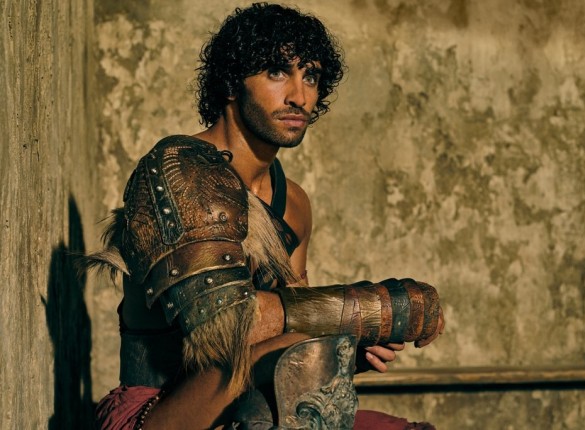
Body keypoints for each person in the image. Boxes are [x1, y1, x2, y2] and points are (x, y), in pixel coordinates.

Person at [90, 3, 445, 429]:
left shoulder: (293, 202)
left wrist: (349, 347)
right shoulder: (179, 168)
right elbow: (226, 324)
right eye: (277, 72)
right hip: (161, 411)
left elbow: (296, 335)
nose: (299, 96)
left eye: (310, 76)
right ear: (230, 82)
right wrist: (373, 308)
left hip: (251, 399)